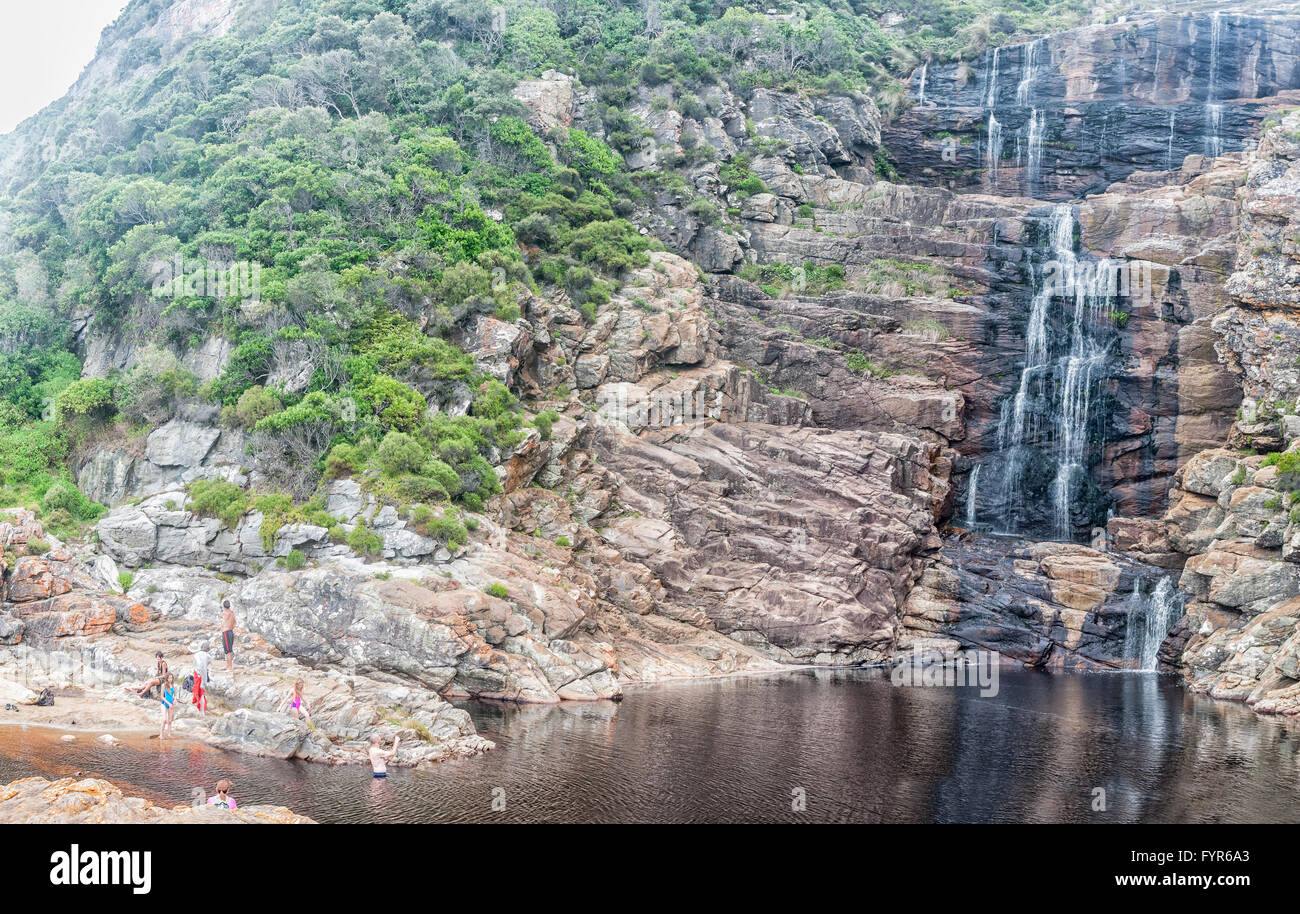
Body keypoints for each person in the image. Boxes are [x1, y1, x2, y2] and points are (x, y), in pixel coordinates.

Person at [191, 642, 211, 715]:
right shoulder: (208, 656)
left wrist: (198, 673)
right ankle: (201, 709)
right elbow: (208, 663)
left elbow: (199, 664)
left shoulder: (196, 655)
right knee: (201, 692)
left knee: (198, 691)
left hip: (198, 675)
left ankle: (201, 711)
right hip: (204, 674)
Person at [220, 599, 236, 673]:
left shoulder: (224, 613)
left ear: (224, 606)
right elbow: (235, 623)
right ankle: (227, 665)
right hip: (230, 632)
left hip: (226, 633)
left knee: (228, 651)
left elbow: (221, 617)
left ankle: (230, 667)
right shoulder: (232, 613)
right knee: (228, 650)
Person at [159, 673, 176, 739]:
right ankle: (161, 735)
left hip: (171, 704)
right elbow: (161, 696)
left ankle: (169, 734)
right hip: (164, 704)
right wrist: (168, 703)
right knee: (164, 720)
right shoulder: (164, 685)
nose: (170, 679)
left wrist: (175, 700)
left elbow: (175, 695)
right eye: (169, 678)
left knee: (170, 720)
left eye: (171, 678)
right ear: (166, 678)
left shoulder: (173, 686)